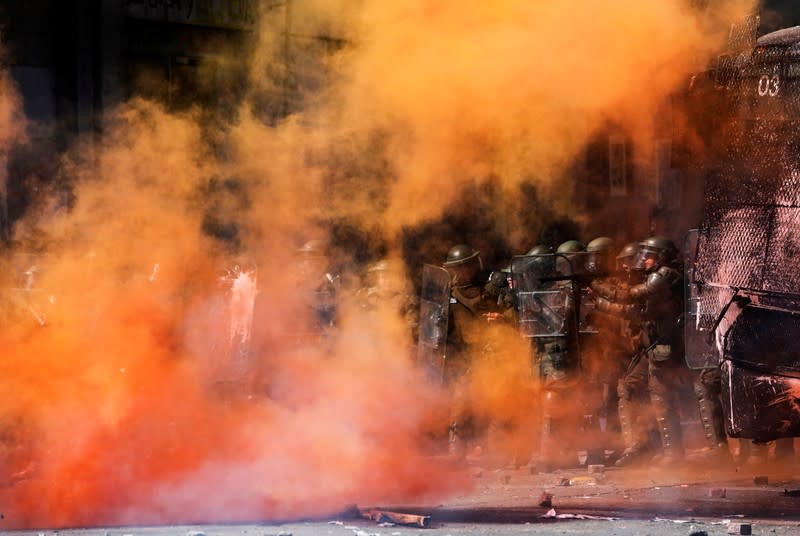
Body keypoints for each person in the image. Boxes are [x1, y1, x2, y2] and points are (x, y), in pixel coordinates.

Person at [592, 236, 686, 465]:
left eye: (649, 256)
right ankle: (639, 445)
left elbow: (630, 297)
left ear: (662, 256)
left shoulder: (664, 276)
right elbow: (634, 312)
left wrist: (598, 289)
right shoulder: (653, 278)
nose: (643, 261)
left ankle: (673, 452)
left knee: (660, 393)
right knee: (629, 385)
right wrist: (603, 305)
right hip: (652, 345)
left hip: (666, 343)